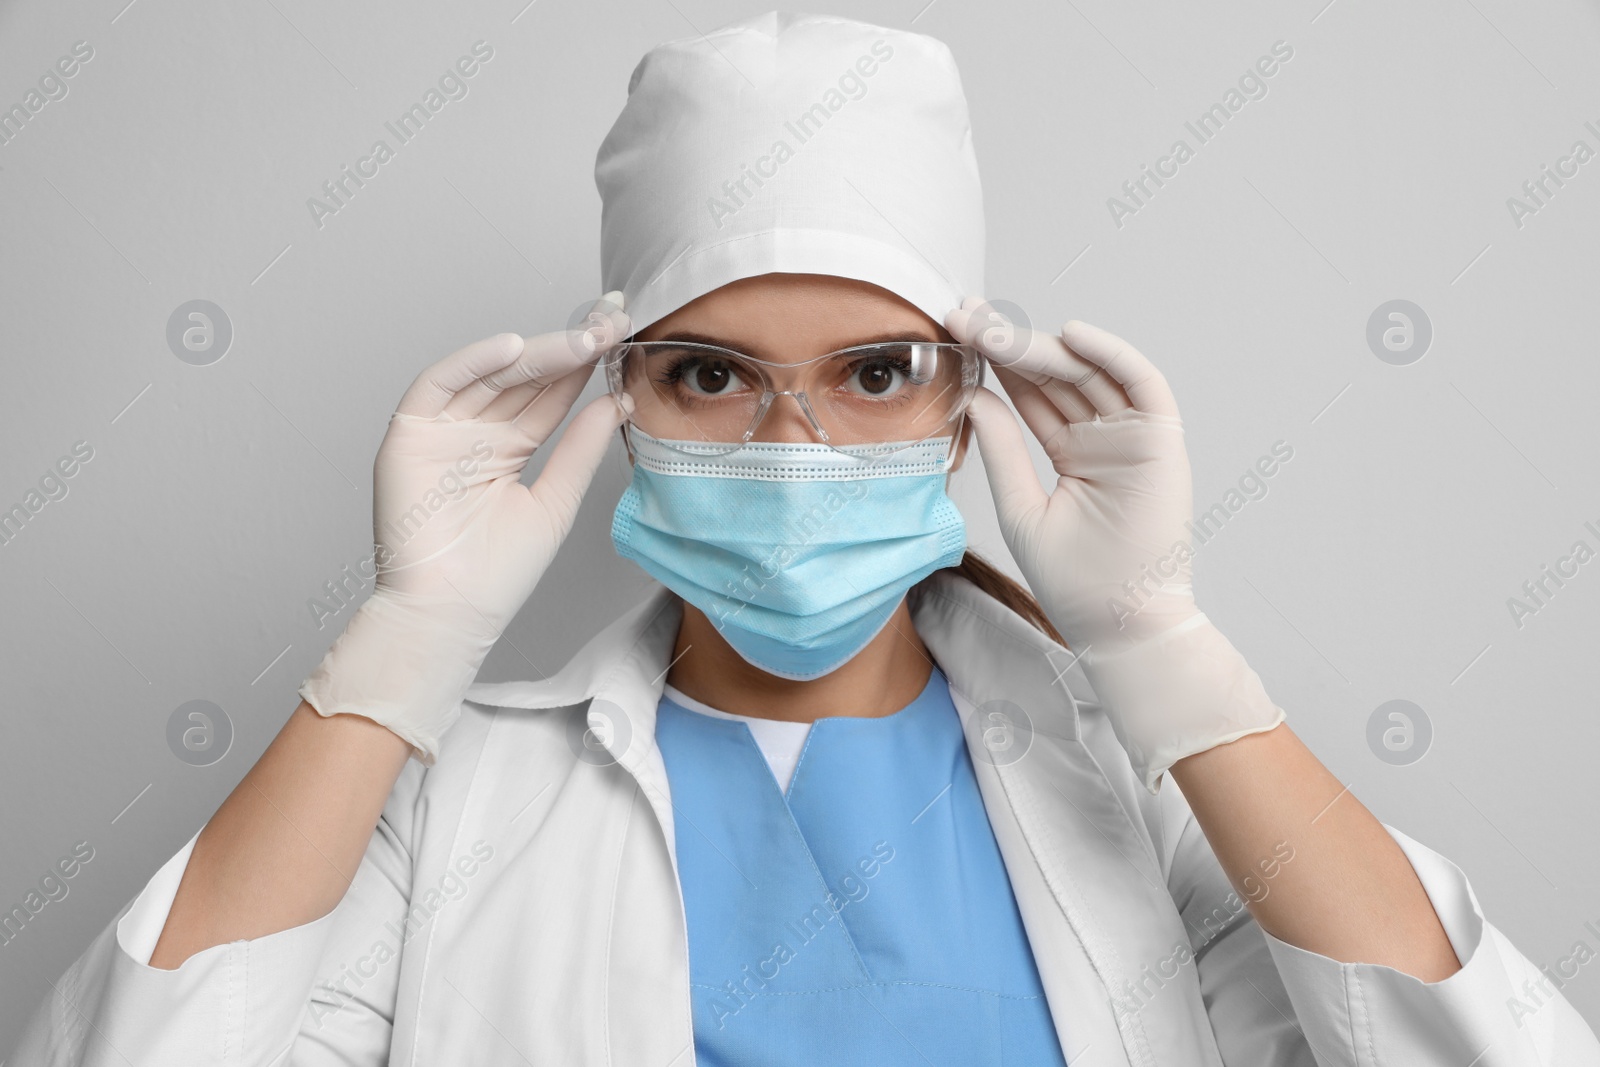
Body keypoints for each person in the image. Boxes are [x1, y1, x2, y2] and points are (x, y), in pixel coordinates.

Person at [12, 12, 1598, 1066]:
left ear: (972, 399)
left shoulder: (1123, 786)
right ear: (616, 393)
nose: (796, 444)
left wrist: (1162, 650)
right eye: (710, 375)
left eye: (875, 375)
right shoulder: (460, 810)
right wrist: (403, 648)